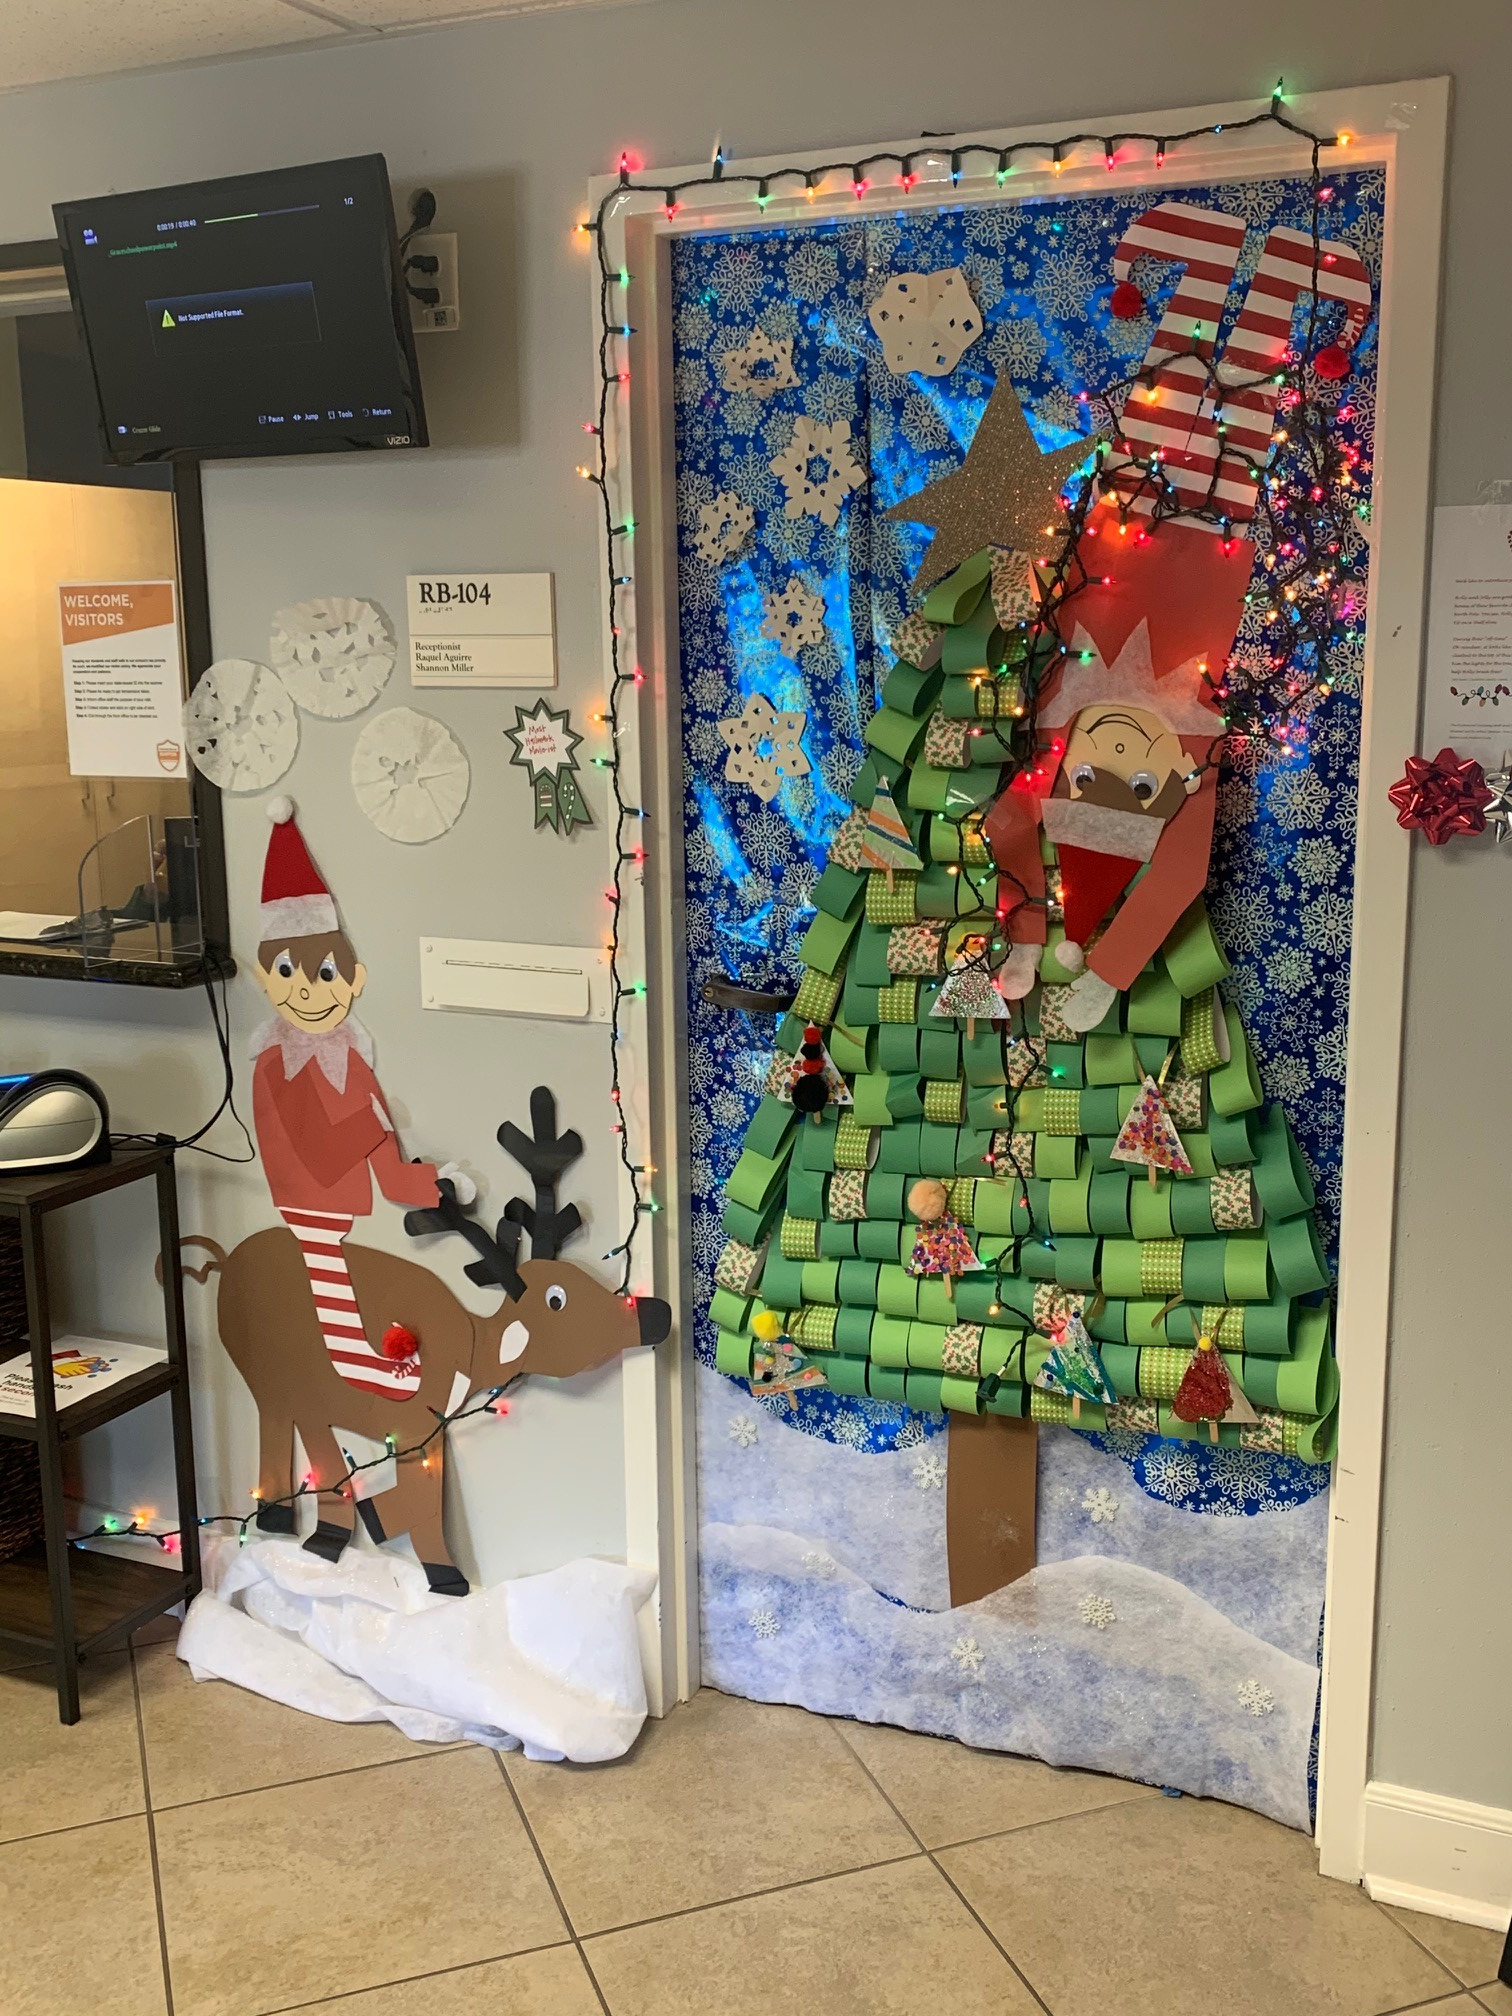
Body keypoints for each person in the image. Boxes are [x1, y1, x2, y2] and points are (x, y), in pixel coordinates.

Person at [249, 797, 471, 1399]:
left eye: (324, 975)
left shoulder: (351, 1057)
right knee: (331, 1287)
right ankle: (367, 1371)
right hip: (309, 1201)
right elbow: (315, 1153)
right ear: (266, 980)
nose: (307, 992)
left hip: (348, 1203)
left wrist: (433, 1184)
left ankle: (378, 1364)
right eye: (288, 973)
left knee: (357, 1280)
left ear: (354, 980)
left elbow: (384, 1156)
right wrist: (372, 1129)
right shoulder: (274, 1064)